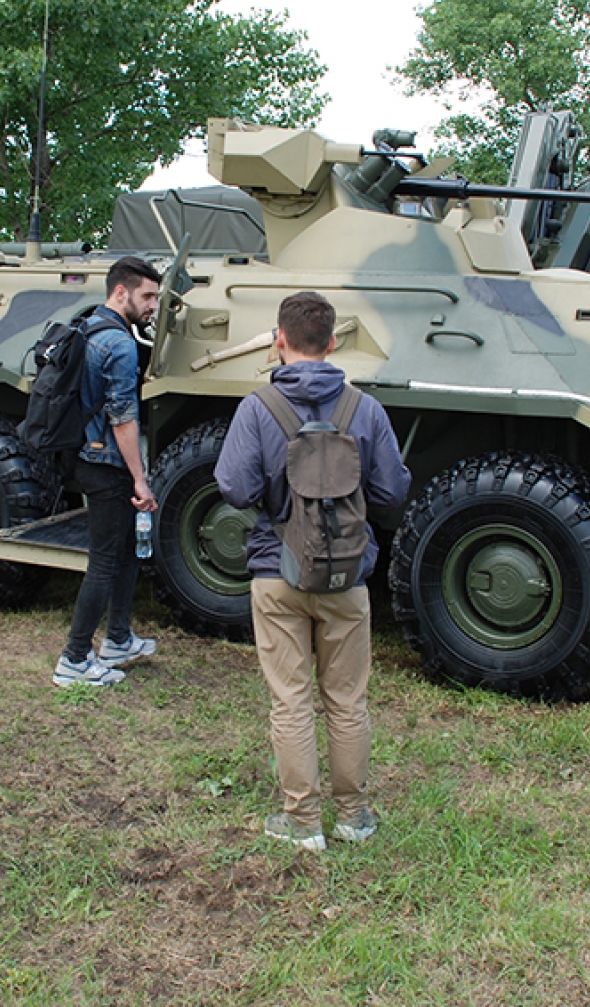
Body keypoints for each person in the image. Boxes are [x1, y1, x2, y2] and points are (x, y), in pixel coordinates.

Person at [215, 291, 411, 851]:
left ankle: (301, 823)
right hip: (347, 578)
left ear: (279, 339)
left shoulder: (257, 408)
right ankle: (354, 817)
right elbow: (392, 491)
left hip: (277, 574)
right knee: (347, 702)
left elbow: (234, 486)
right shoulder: (364, 410)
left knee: (291, 701)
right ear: (331, 343)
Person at [54, 257, 163, 687]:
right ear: (122, 292)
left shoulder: (89, 326)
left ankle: (117, 638)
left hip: (87, 455)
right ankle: (74, 659)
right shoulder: (117, 344)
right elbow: (122, 416)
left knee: (124, 552)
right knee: (103, 561)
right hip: (107, 464)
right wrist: (139, 478)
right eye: (148, 296)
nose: (154, 304)